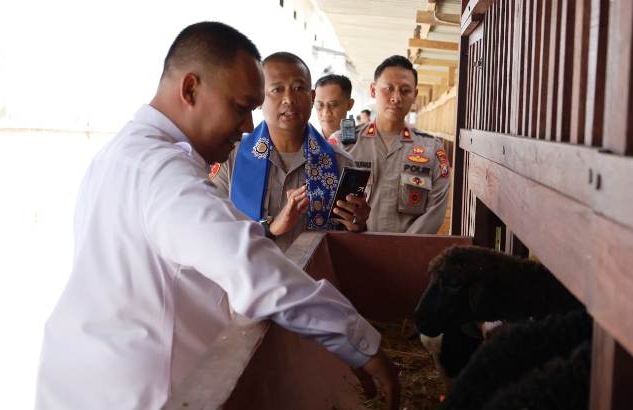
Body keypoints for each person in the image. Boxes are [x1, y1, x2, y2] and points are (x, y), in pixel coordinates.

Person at [35, 22, 399, 410]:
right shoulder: (163, 175)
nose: (247, 128)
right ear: (190, 89)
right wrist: (361, 343)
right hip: (140, 391)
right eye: (240, 108)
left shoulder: (120, 154)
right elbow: (251, 268)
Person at [209, 53, 370, 252]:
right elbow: (211, 229)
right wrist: (270, 228)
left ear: (311, 98)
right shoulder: (230, 157)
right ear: (259, 97)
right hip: (247, 278)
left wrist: (358, 224)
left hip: (313, 280)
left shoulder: (339, 163)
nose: (289, 99)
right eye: (277, 89)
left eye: (298, 88)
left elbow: (350, 244)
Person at [334, 55, 450, 234]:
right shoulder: (342, 144)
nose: (396, 98)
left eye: (405, 91)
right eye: (388, 89)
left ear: (415, 95)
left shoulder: (432, 149)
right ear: (373, 90)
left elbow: (435, 211)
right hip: (350, 250)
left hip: (407, 254)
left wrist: (401, 250)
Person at [313, 73, 355, 145]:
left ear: (349, 105)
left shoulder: (363, 145)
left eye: (333, 105)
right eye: (320, 105)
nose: (325, 112)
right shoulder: (306, 144)